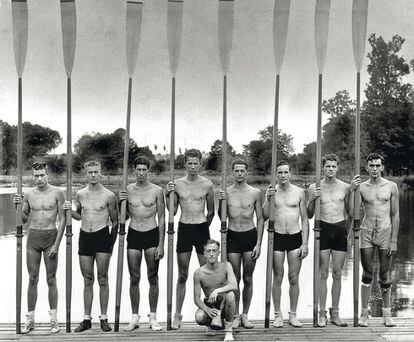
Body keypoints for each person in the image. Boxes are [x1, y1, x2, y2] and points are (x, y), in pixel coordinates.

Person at [63, 160, 118, 332]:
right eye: (90, 172)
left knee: (103, 278)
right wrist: (68, 210)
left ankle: (104, 318)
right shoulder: (80, 194)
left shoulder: (109, 195)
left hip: (103, 237)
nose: (93, 175)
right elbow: (79, 216)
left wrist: (111, 244)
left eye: (96, 172)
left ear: (100, 172)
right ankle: (86, 319)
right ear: (85, 174)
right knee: (87, 279)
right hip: (85, 237)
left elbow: (115, 222)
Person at [13, 161, 65, 334]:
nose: (39, 178)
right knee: (32, 278)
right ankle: (30, 319)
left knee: (51, 279)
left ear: (47, 175)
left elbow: (63, 219)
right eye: (36, 176)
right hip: (34, 237)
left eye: (42, 175)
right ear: (33, 176)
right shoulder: (28, 194)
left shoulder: (57, 193)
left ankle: (53, 319)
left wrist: (57, 244)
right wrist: (17, 207)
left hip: (51, 236)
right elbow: (24, 220)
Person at [166, 148, 215, 329]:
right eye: (190, 163)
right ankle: (177, 315)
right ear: (185, 164)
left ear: (200, 164)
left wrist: (203, 227)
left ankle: (211, 314)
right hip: (184, 228)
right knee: (182, 274)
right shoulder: (177, 184)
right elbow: (172, 211)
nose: (193, 166)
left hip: (201, 229)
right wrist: (166, 195)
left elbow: (211, 212)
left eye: (196, 163)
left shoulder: (207, 184)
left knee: (207, 274)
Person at [307, 154, 358, 327]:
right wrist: (312, 199)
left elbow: (351, 213)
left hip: (339, 229)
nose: (330, 169)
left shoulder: (344, 187)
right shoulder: (315, 186)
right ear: (323, 168)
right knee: (323, 273)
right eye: (327, 166)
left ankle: (334, 313)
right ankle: (322, 313)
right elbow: (308, 214)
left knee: (337, 273)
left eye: (333, 166)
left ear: (337, 168)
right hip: (323, 230)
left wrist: (349, 236)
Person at [350, 153, 400, 327]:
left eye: (377, 165)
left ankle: (387, 314)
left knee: (385, 274)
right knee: (367, 273)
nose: (374, 169)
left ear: (382, 167)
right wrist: (352, 190)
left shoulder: (392, 186)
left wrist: (394, 240)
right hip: (366, 231)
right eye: (371, 165)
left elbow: (395, 214)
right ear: (366, 167)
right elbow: (352, 212)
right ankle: (365, 314)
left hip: (385, 232)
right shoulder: (362, 187)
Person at [118, 156, 165, 331]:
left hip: (152, 234)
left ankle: (153, 317)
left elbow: (162, 217)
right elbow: (123, 215)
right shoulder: (128, 189)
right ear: (134, 171)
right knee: (134, 277)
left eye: (144, 169)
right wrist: (119, 202)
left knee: (153, 276)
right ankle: (134, 317)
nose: (141, 173)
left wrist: (161, 244)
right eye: (138, 169)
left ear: (148, 170)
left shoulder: (157, 191)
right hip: (134, 233)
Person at [218, 159, 264, 329]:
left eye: (242, 170)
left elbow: (260, 219)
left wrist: (258, 243)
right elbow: (220, 216)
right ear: (232, 172)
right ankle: (235, 315)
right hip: (232, 236)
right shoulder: (226, 192)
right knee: (234, 279)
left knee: (248, 278)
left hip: (250, 235)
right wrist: (222, 201)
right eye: (236, 170)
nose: (239, 173)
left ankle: (245, 315)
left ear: (246, 172)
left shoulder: (255, 193)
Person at [263, 160, 309, 328]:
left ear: (290, 173)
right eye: (279, 172)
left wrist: (305, 243)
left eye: (285, 172)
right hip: (277, 237)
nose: (283, 175)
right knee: (278, 277)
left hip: (295, 236)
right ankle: (277, 315)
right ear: (276, 174)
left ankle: (293, 314)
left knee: (294, 277)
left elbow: (304, 219)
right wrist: (268, 199)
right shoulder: (272, 191)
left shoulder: (299, 192)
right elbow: (265, 215)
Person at [193, 239, 237, 342]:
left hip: (224, 304)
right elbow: (196, 298)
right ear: (204, 253)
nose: (211, 254)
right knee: (199, 317)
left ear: (219, 252)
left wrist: (217, 290)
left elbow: (234, 286)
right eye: (208, 251)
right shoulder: (199, 273)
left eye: (214, 250)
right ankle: (210, 325)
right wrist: (207, 310)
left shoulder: (226, 266)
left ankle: (228, 331)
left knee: (231, 295)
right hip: (211, 306)